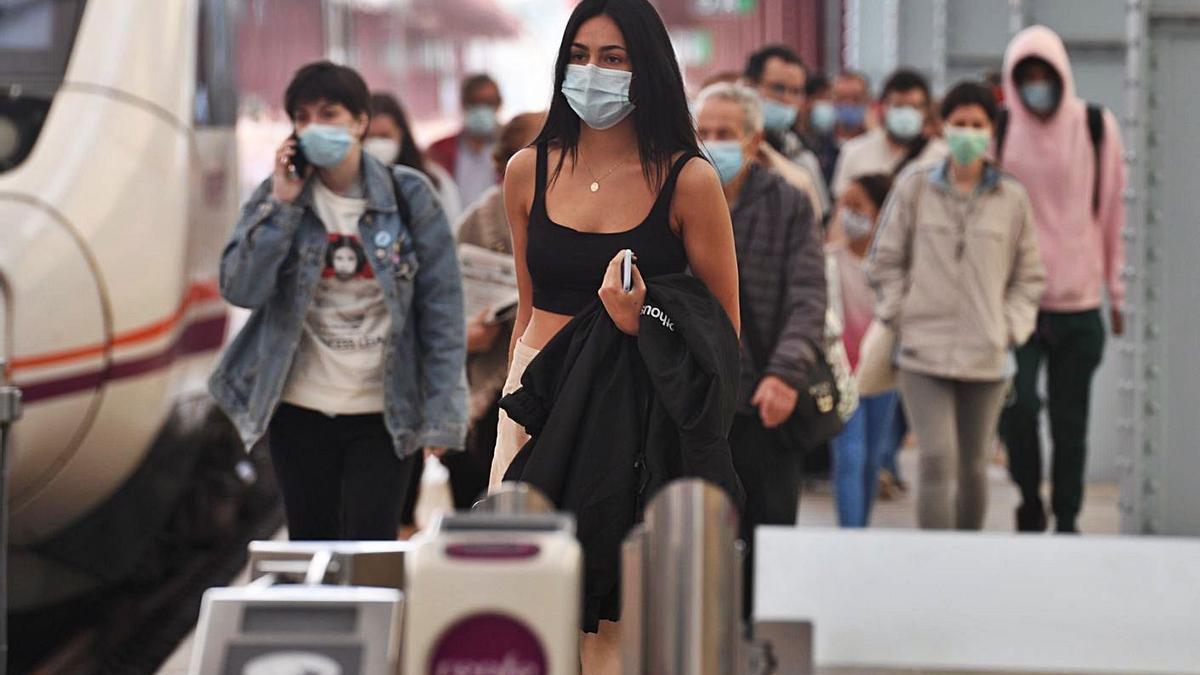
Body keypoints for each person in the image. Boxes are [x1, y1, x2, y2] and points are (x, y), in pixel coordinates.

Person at [493, 0, 740, 669]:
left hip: (632, 412)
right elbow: (527, 305)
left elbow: (722, 336)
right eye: (578, 55)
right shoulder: (526, 171)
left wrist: (643, 318)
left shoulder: (688, 179)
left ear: (647, 70)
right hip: (535, 395)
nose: (591, 72)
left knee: (614, 625)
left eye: (612, 58)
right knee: (520, 602)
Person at [208, 61, 468, 541]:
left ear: (360, 122)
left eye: (329, 113)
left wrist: (442, 414)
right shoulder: (278, 197)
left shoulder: (410, 196)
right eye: (302, 117)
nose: (314, 127)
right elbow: (240, 288)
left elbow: (443, 313)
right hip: (298, 411)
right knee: (311, 546)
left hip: (382, 413)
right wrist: (284, 206)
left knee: (370, 550)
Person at [867, 81, 1045, 530]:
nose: (967, 133)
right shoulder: (914, 190)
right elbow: (884, 260)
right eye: (959, 123)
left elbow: (1029, 275)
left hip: (986, 353)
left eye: (977, 125)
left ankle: (968, 557)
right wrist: (900, 312)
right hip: (921, 350)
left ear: (990, 131)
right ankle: (934, 562)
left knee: (971, 466)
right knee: (935, 460)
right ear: (943, 127)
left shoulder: (1012, 197)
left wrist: (1009, 328)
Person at [694, 82, 826, 613]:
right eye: (702, 132)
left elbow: (809, 296)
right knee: (701, 546)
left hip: (766, 403)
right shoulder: (673, 198)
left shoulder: (789, 203)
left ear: (753, 141)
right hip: (696, 404)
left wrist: (786, 373)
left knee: (768, 543)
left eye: (724, 134)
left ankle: (759, 649)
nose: (711, 143)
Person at [997, 26, 1127, 534]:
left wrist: (1116, 292)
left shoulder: (1096, 126)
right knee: (1019, 408)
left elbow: (1115, 212)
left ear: (1061, 76)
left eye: (1044, 76)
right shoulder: (1003, 128)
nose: (1036, 86)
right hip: (1018, 303)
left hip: (1077, 302)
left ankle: (1068, 517)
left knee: (1070, 423)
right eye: (1024, 77)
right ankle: (1030, 496)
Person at [826, 173, 899, 527]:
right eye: (844, 205)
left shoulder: (891, 266)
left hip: (882, 374)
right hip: (841, 376)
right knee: (849, 456)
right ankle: (849, 536)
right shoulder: (827, 259)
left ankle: (861, 532)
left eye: (858, 206)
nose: (848, 214)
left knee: (872, 458)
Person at [742, 44, 831, 217]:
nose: (787, 99)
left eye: (796, 91)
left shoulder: (802, 158)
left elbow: (818, 223)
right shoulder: (724, 148)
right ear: (750, 86)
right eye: (778, 88)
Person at [832, 69, 947, 197]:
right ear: (884, 106)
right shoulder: (854, 152)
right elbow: (841, 204)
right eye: (899, 106)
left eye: (914, 107)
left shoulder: (942, 156)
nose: (906, 114)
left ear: (926, 111)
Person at [365, 92, 463, 222]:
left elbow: (451, 226)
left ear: (401, 133)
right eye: (370, 137)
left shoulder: (431, 180)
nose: (377, 144)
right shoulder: (349, 184)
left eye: (384, 136)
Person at [427, 73, 504, 207]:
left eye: (489, 103)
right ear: (463, 104)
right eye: (475, 102)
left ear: (499, 104)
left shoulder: (514, 149)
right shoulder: (439, 150)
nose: (482, 109)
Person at [799, 73, 840, 187]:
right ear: (805, 100)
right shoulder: (793, 142)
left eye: (829, 99)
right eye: (822, 98)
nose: (827, 105)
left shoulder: (827, 140)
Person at [831, 71, 872, 144]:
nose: (849, 104)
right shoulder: (817, 143)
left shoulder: (876, 142)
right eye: (842, 98)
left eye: (856, 99)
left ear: (867, 100)